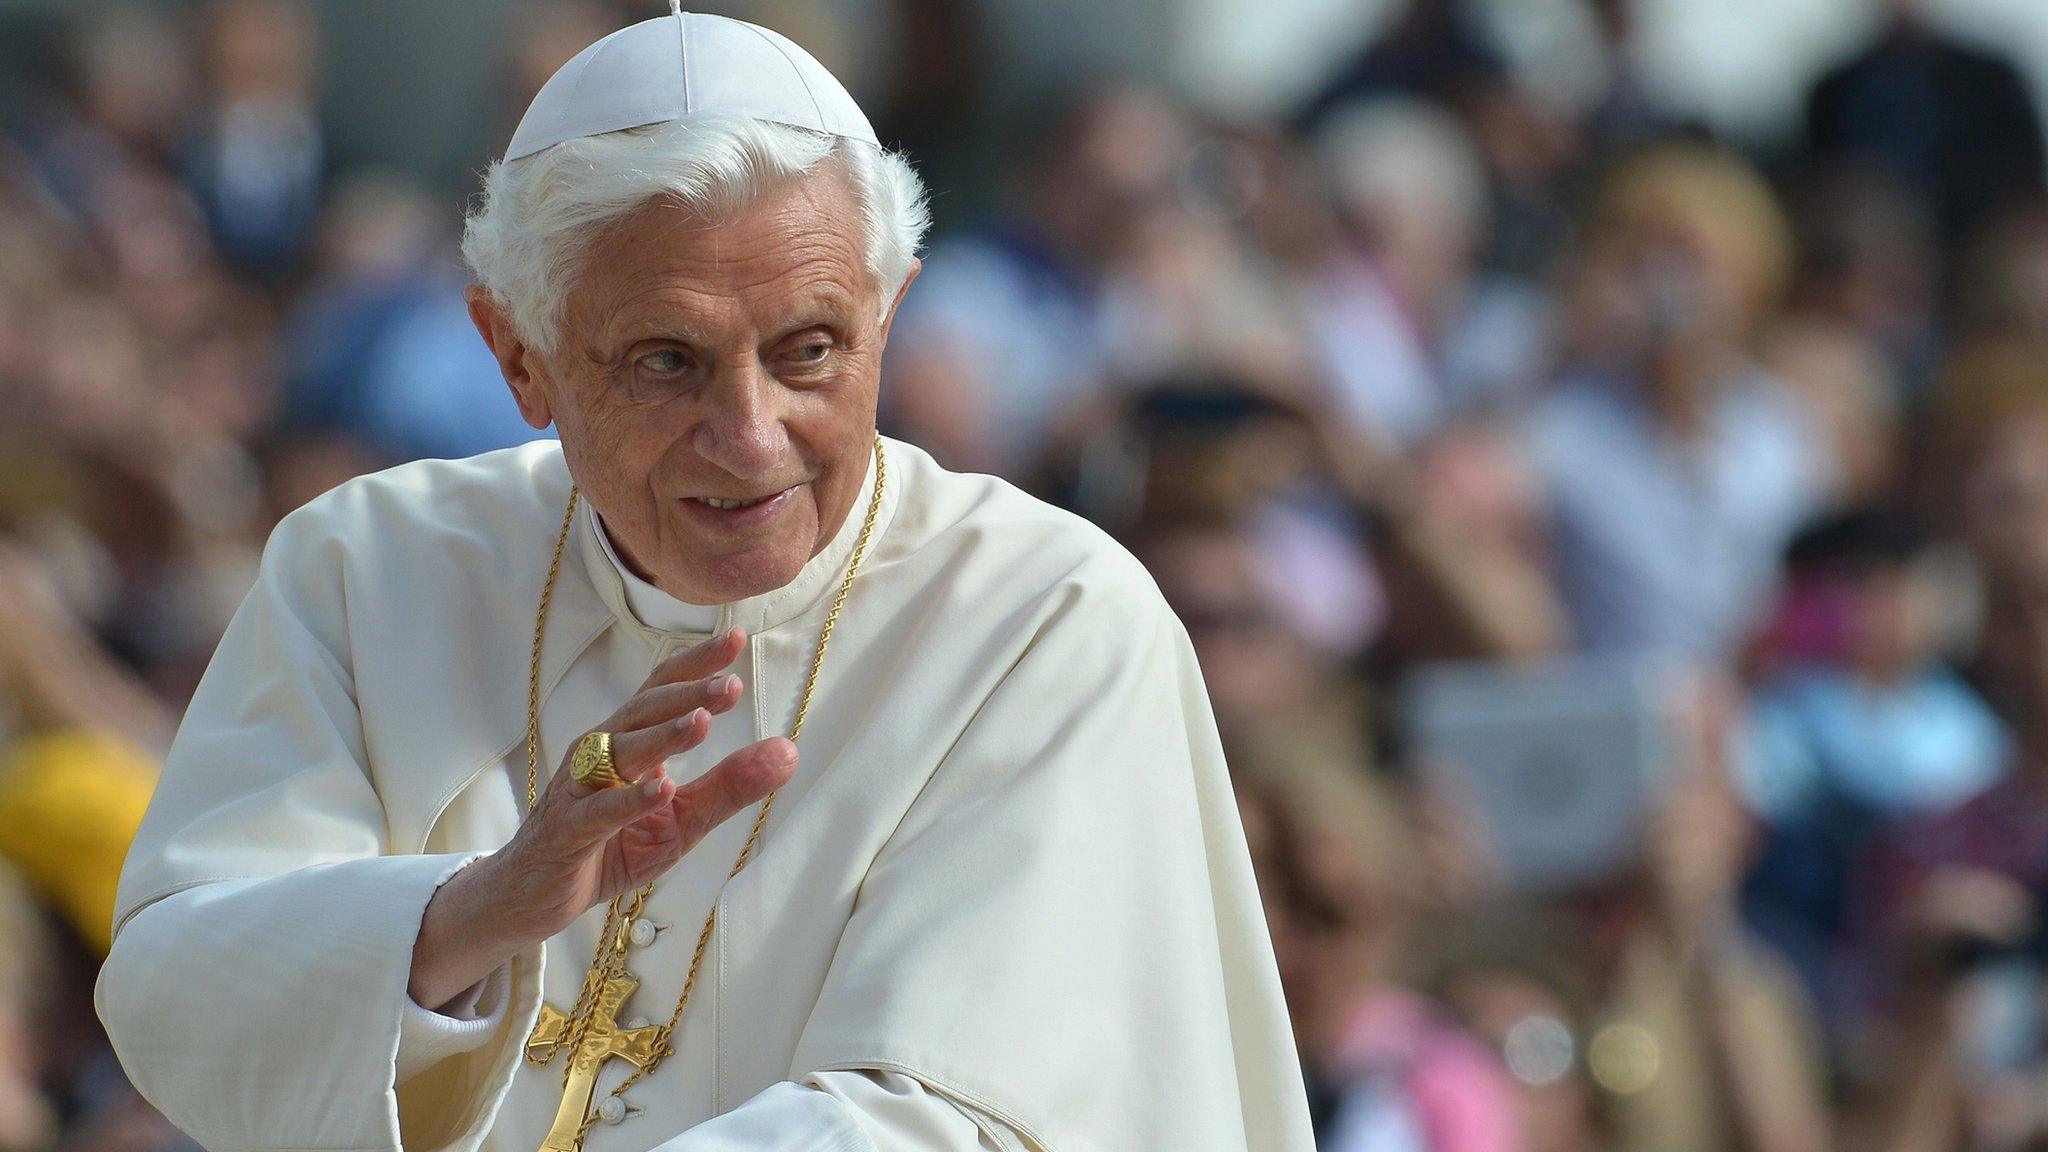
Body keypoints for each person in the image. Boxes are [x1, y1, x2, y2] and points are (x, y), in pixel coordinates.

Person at [93, 10, 1314, 1152]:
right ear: (518, 358)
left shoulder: (1045, 620)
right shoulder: (371, 570)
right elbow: (172, 1004)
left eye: (809, 351)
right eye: (666, 362)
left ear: (890, 320)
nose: (751, 436)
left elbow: (961, 1116)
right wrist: (473, 912)